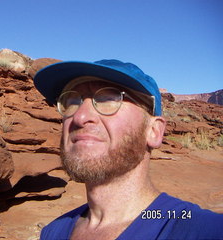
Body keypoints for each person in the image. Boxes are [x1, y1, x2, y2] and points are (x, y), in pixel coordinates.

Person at [33, 59, 223, 240]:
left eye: (108, 98)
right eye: (72, 101)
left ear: (154, 131)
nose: (80, 117)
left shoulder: (207, 230)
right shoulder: (53, 232)